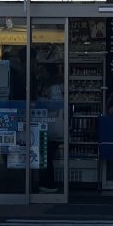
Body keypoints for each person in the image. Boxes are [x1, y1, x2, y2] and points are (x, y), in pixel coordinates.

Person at [36, 62, 63, 192]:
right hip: (47, 126)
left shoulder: (55, 87)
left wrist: (40, 102)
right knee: (45, 156)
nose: (40, 74)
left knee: (46, 156)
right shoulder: (47, 86)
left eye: (43, 71)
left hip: (51, 127)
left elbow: (56, 106)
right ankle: (46, 183)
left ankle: (48, 184)